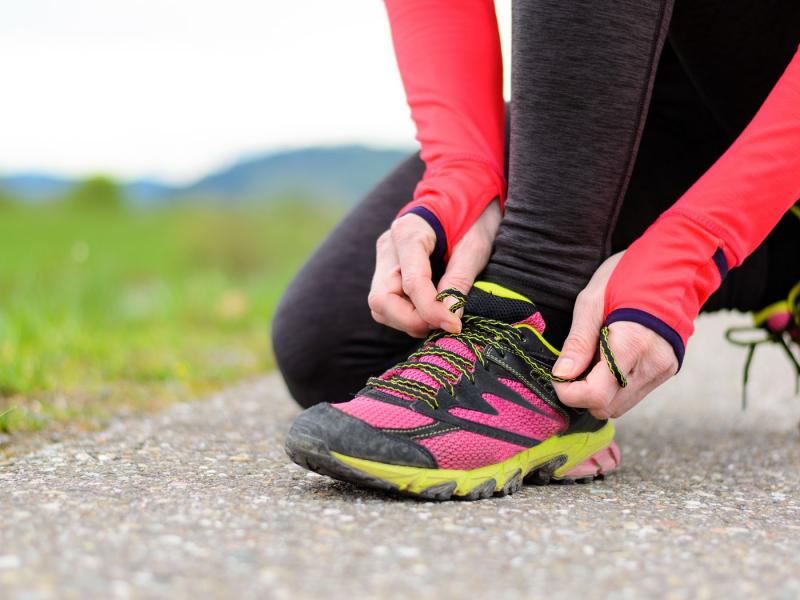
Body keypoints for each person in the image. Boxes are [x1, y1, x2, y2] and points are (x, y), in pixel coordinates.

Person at [275, 0, 800, 500]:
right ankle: (780, 263)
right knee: (331, 344)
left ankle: (537, 309)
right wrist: (462, 172)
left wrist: (694, 247)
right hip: (651, 93)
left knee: (517, 298)